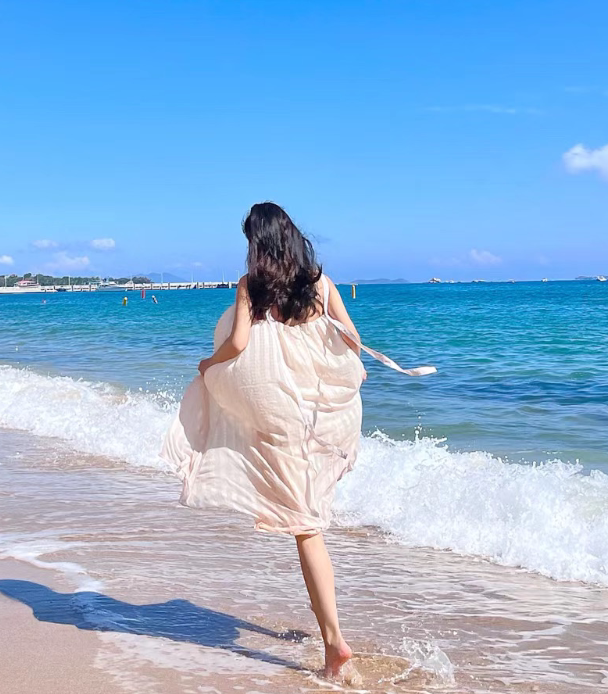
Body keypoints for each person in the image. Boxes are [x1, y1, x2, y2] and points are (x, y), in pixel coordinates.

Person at [162, 202, 434, 679]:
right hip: (313, 416)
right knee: (307, 521)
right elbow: (350, 338)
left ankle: (334, 642)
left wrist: (209, 365)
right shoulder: (319, 283)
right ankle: (329, 635)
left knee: (305, 527)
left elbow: (239, 345)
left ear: (257, 243)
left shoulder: (251, 287)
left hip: (277, 419)